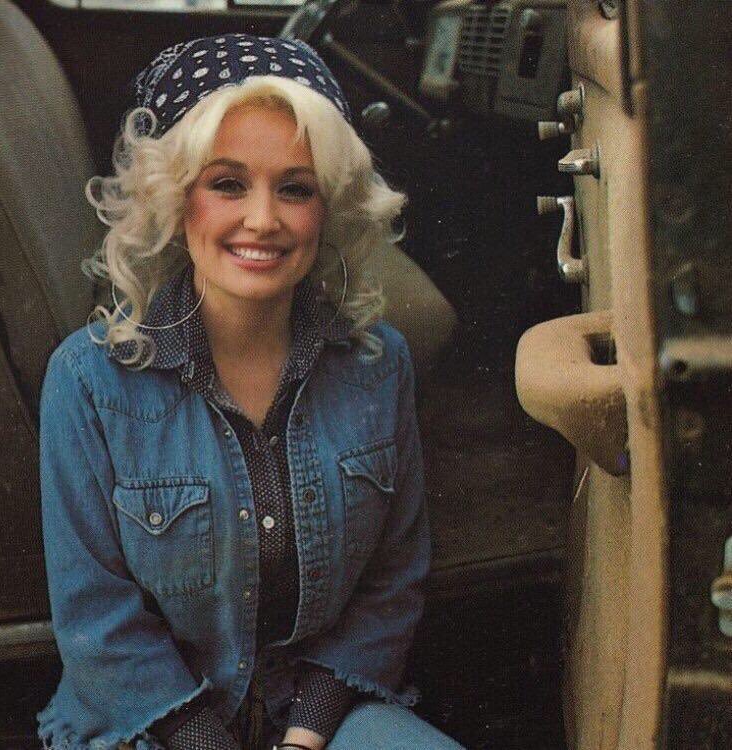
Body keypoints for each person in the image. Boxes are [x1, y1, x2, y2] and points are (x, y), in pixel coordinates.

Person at [37, 33, 464, 750]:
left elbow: (391, 583)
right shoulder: (87, 382)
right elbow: (98, 624)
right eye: (228, 184)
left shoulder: (378, 365)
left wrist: (306, 735)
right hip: (150, 727)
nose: (263, 220)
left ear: (329, 207)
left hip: (320, 718)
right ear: (177, 199)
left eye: (295, 188)